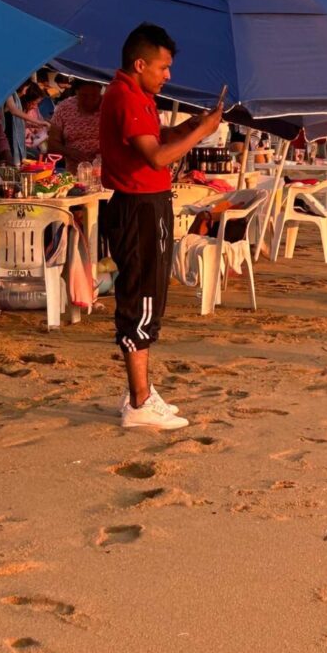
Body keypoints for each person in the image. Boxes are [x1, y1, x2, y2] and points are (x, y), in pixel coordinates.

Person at [101, 23, 224, 432]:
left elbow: (154, 138)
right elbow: (155, 157)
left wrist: (190, 127)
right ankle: (138, 400)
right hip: (138, 205)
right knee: (143, 298)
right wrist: (202, 133)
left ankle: (140, 392)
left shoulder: (136, 96)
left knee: (146, 291)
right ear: (141, 64)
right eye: (163, 67)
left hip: (143, 203)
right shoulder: (126, 95)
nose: (167, 75)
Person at [45, 81, 103, 167]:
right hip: (75, 171)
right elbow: (52, 144)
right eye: (84, 96)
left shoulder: (109, 105)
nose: (89, 100)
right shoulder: (65, 107)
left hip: (104, 169)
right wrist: (69, 152)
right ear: (77, 92)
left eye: (94, 96)